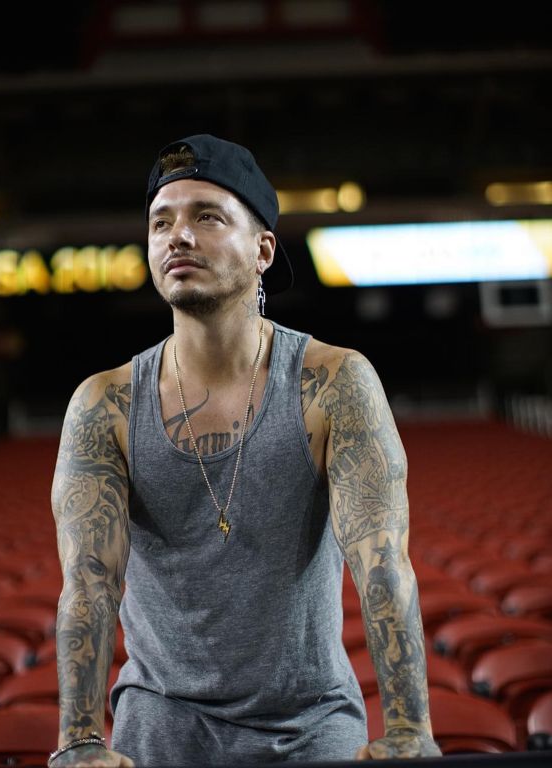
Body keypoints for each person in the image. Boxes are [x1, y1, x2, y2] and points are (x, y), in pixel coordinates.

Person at [49, 134, 441, 767]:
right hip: (159, 720)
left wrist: (408, 729)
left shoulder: (334, 383)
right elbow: (89, 585)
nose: (178, 236)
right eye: (161, 222)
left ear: (263, 250)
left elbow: (382, 565)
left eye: (207, 216)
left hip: (309, 723)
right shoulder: (105, 404)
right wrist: (79, 740)